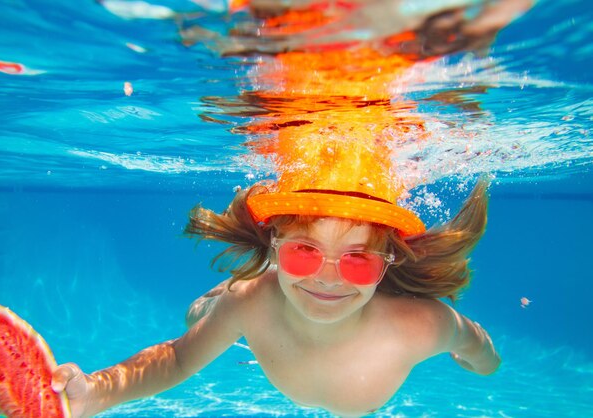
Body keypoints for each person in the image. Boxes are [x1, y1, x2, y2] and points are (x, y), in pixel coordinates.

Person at [52, 134, 500, 417]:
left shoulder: (420, 327)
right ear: (275, 245)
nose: (328, 278)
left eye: (357, 258)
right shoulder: (252, 302)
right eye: (305, 252)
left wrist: (484, 364)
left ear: (387, 263)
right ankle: (226, 293)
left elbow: (473, 340)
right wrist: (96, 392)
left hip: (273, 295)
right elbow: (177, 359)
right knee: (204, 315)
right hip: (262, 299)